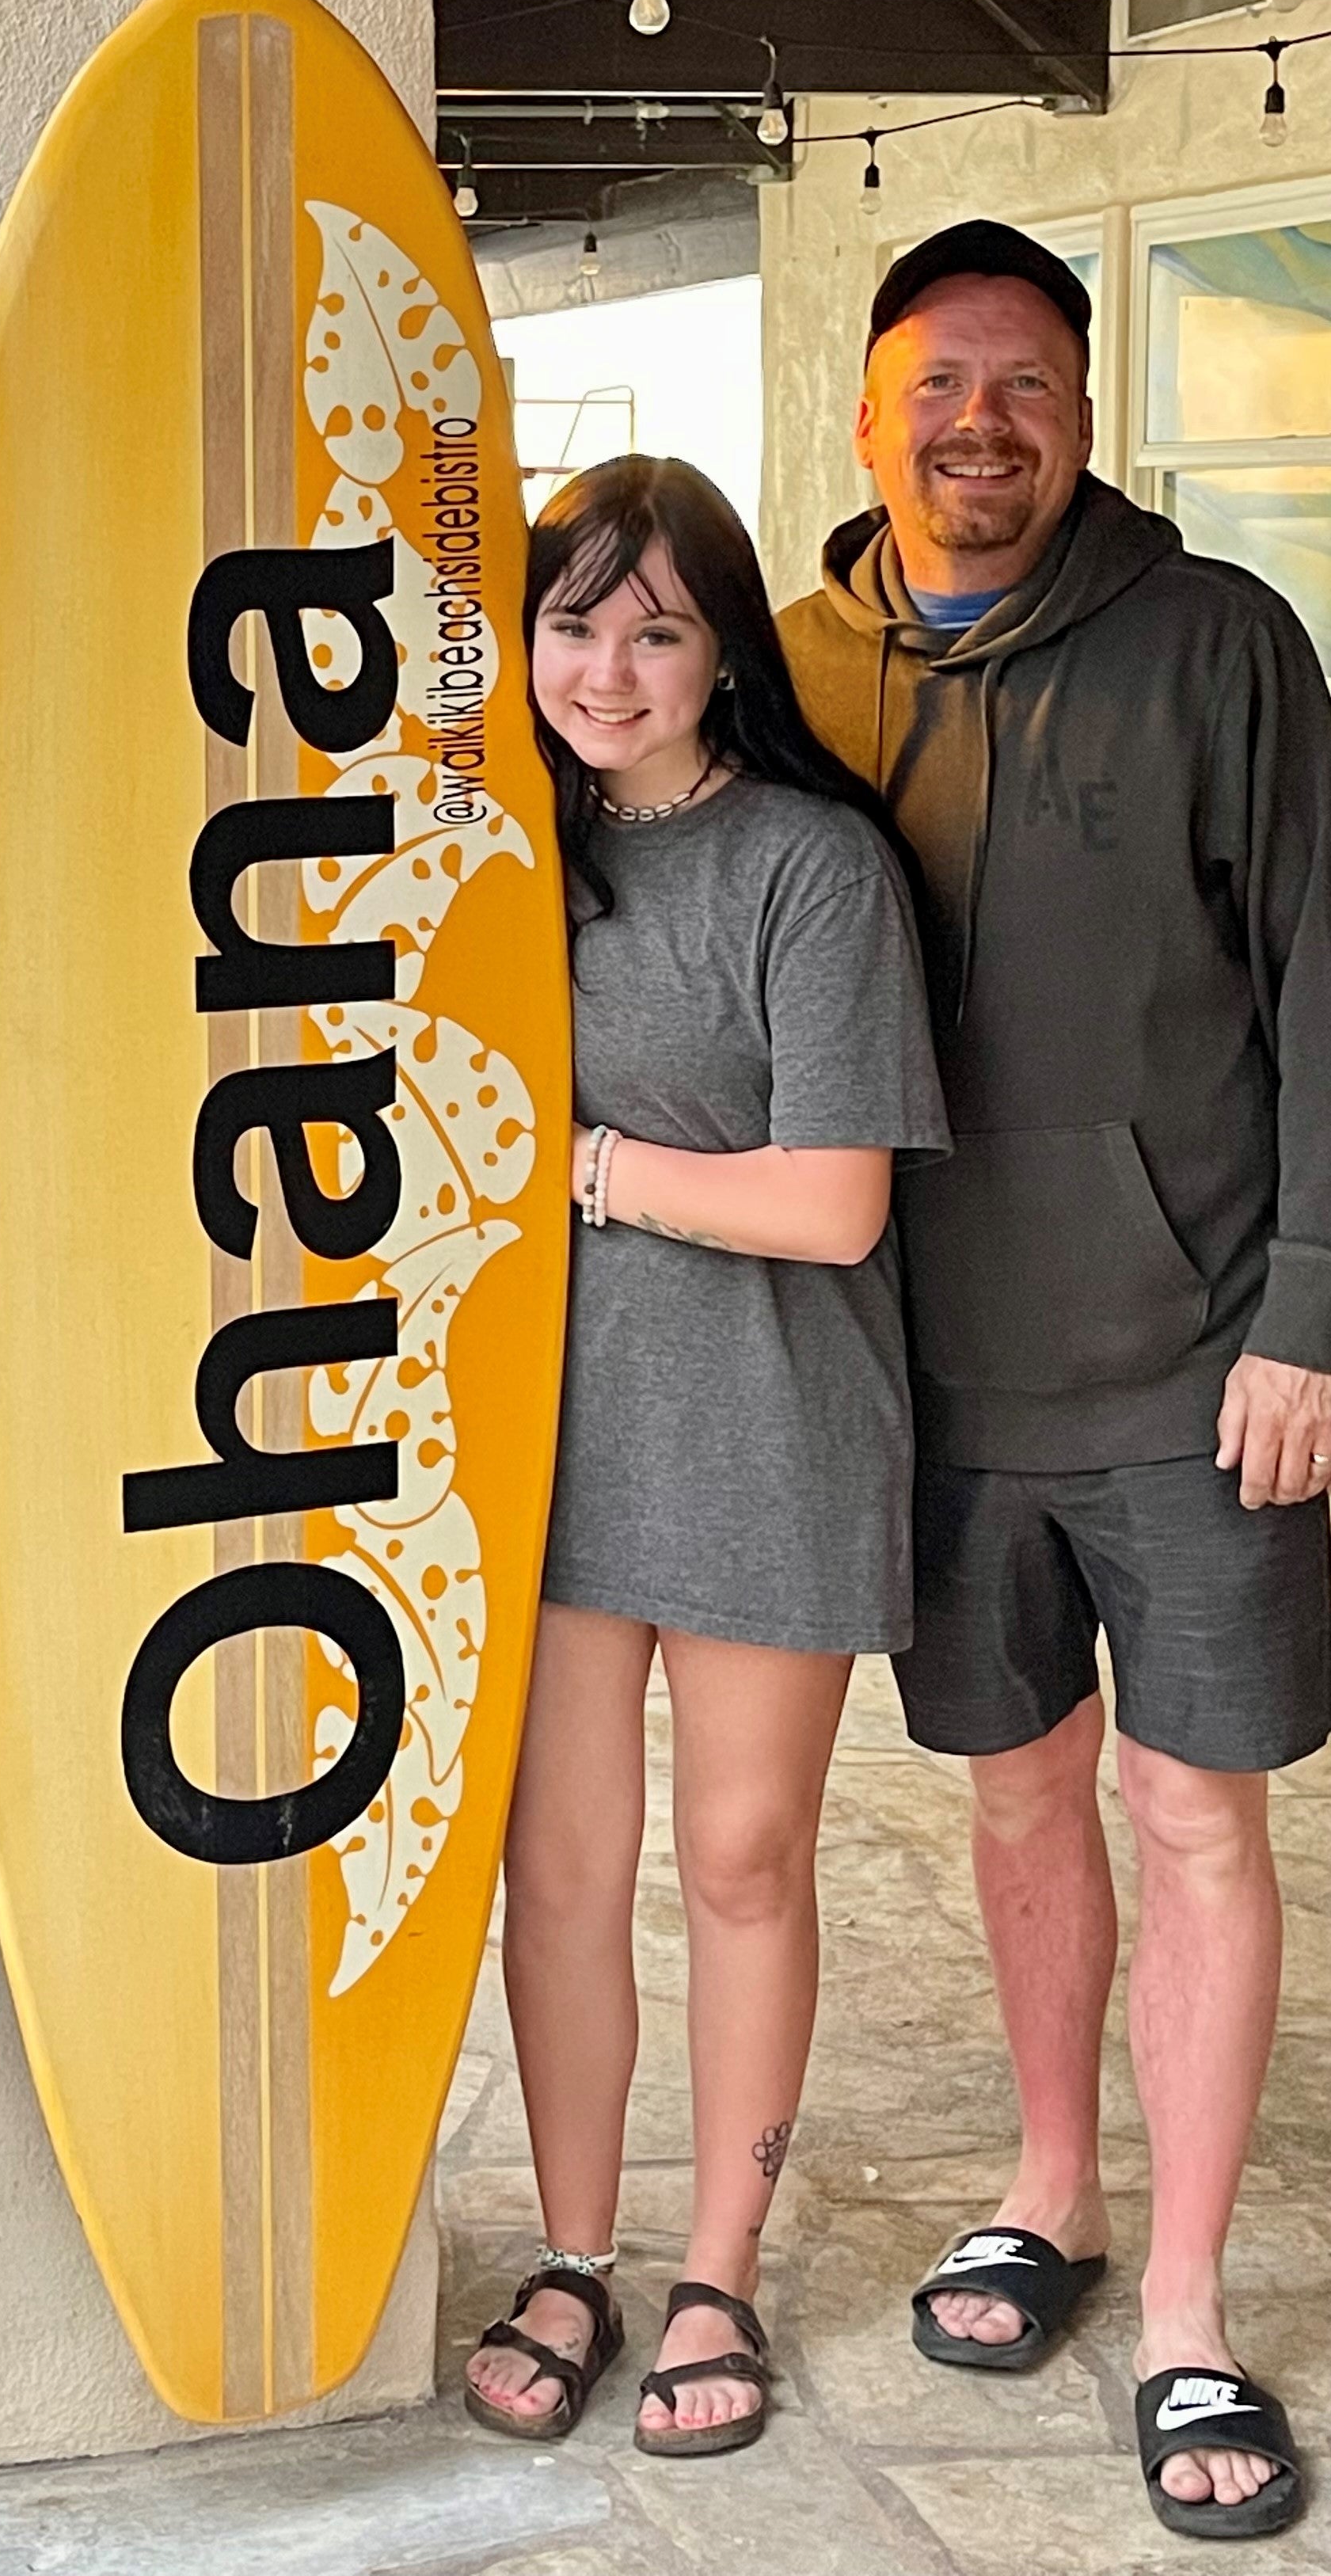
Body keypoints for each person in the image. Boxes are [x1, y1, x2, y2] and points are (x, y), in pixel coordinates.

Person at [781, 216, 1331, 2544]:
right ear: (872, 411)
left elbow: (1326, 975)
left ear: (1081, 419)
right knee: (1017, 1806)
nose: (977, 425)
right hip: (928, 1375)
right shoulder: (792, 664)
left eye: (1022, 386)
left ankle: (1190, 2307)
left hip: (1205, 1364)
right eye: (938, 386)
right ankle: (1049, 2190)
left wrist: (1309, 1297)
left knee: (1198, 1817)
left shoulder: (1222, 646)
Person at [464, 456, 945, 2464]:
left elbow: (835, 1206)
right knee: (557, 1871)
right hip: (545, 1443)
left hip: (767, 1420)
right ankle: (577, 2254)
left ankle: (721, 2265)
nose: (608, 666)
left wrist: (579, 1169)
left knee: (740, 1863)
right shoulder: (485, 851)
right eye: (573, 621)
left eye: (657, 625)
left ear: (723, 647)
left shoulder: (810, 869)